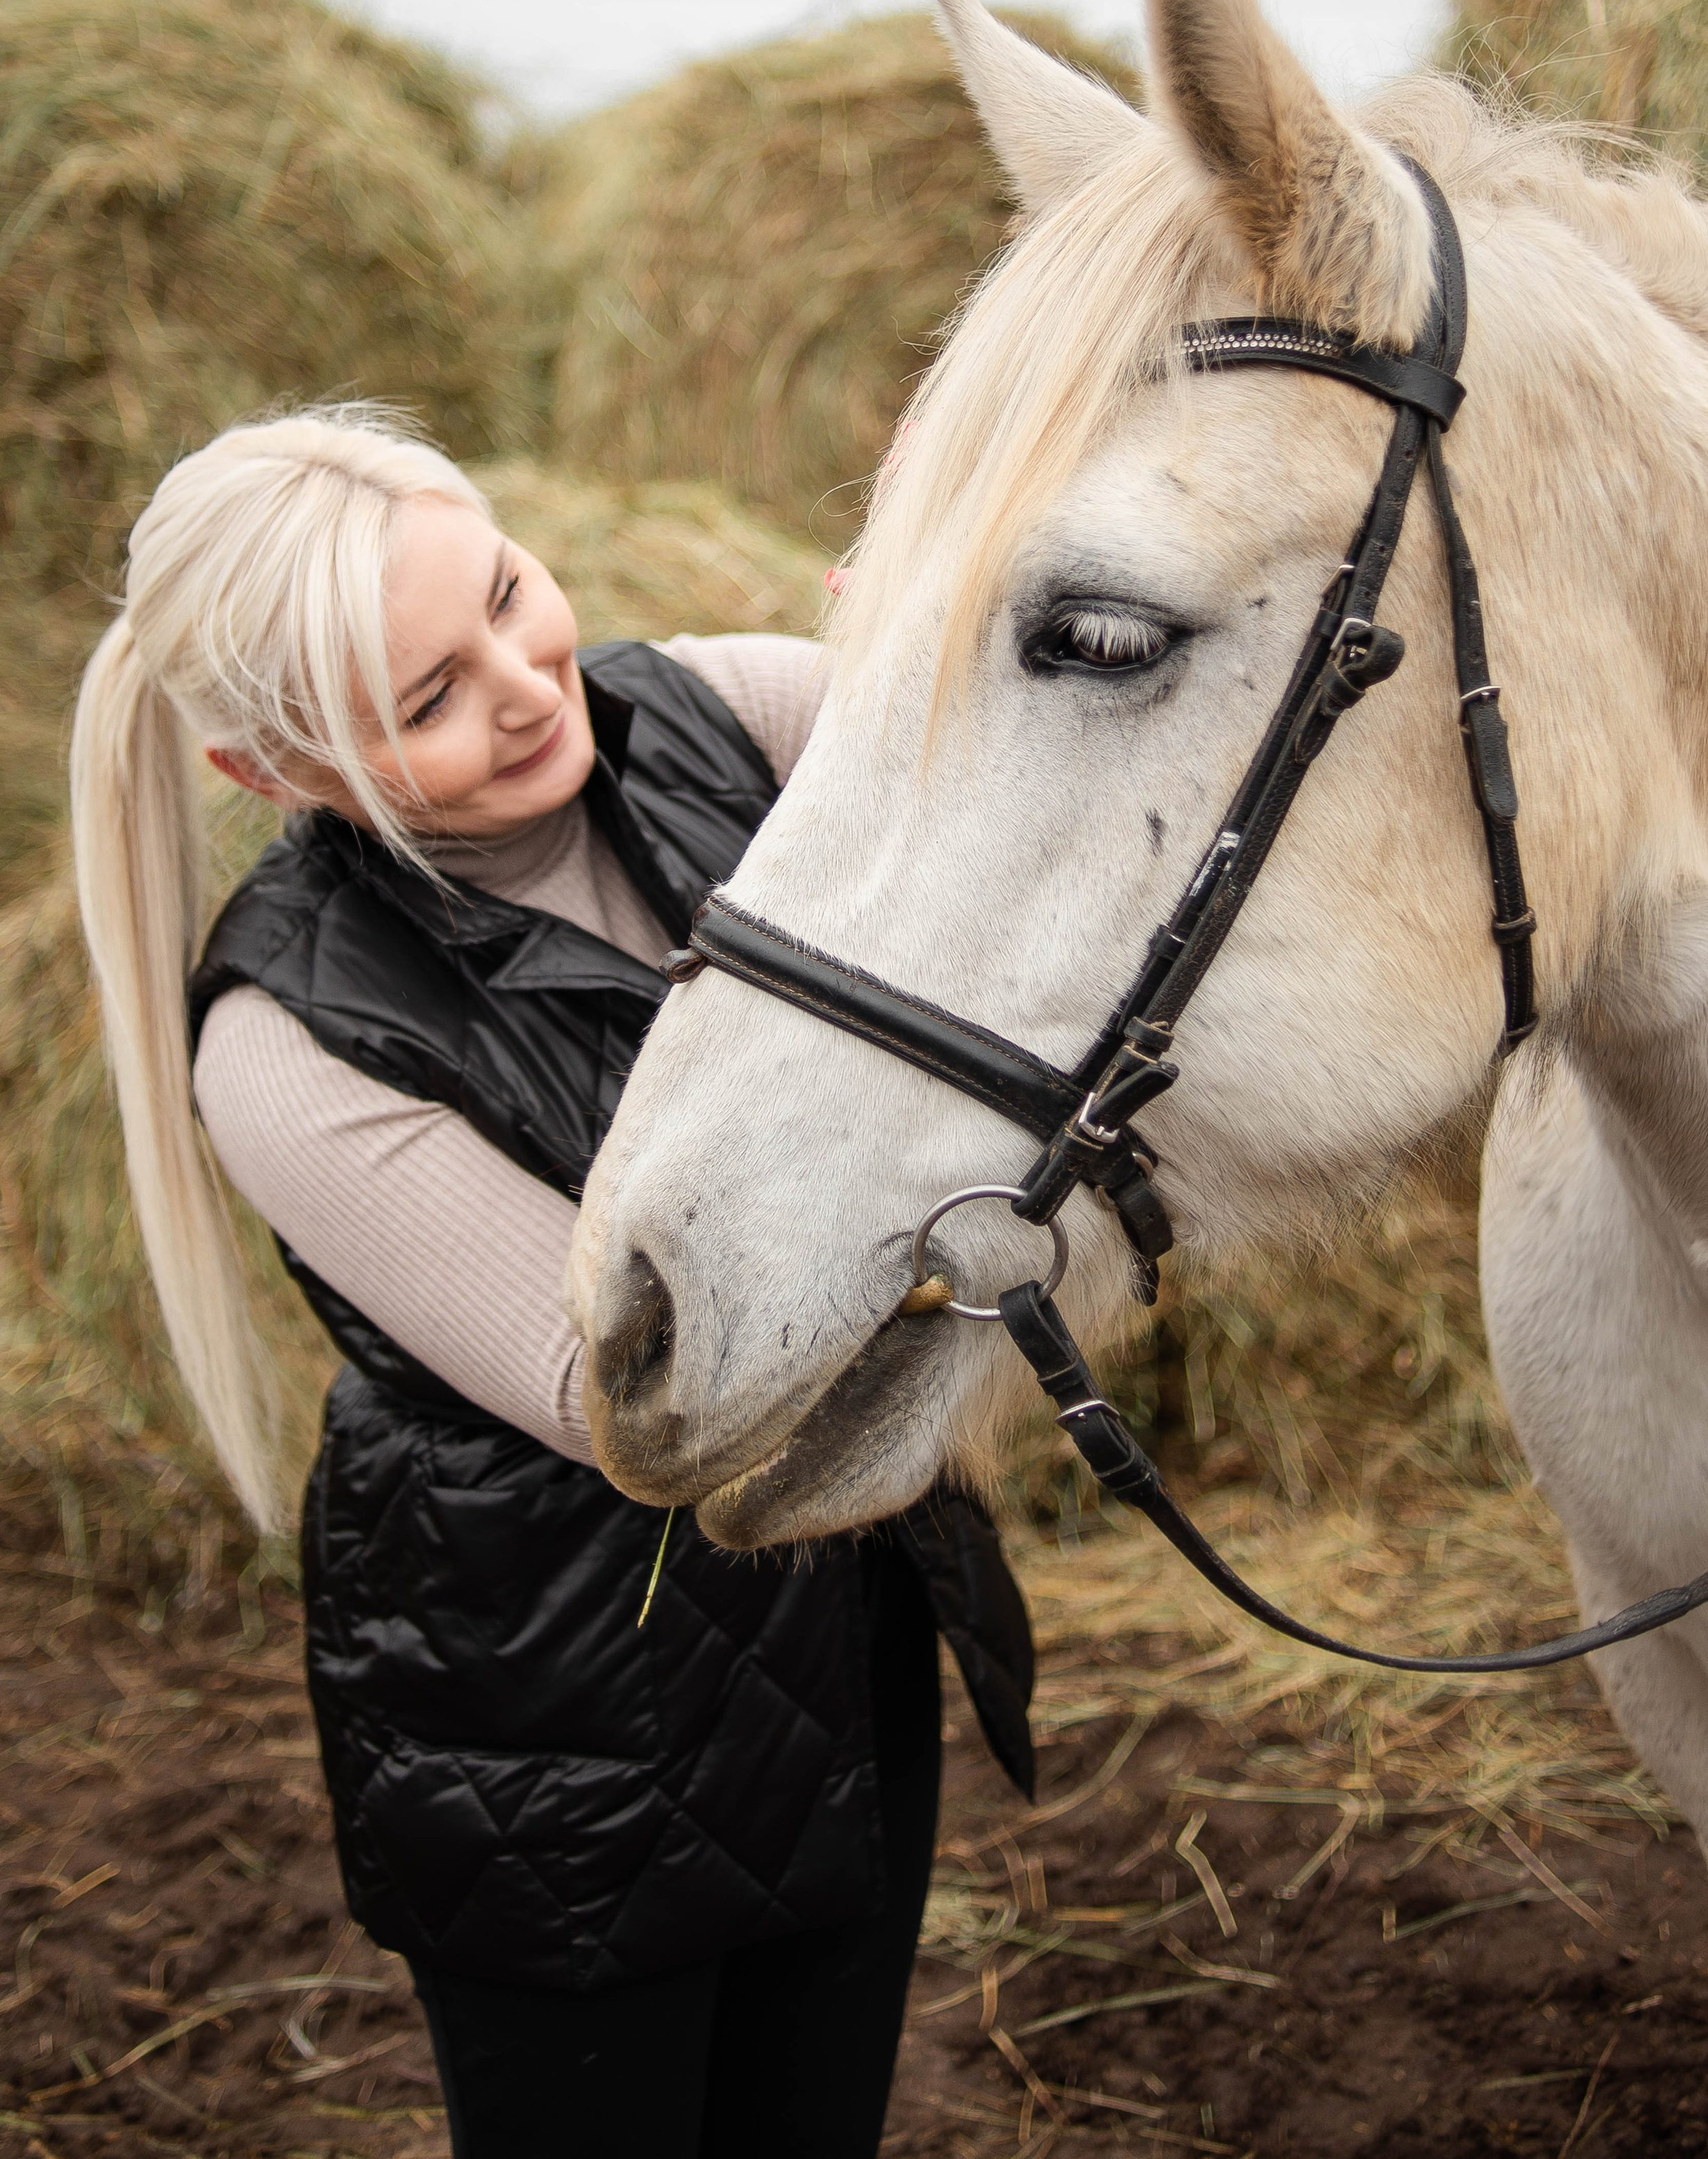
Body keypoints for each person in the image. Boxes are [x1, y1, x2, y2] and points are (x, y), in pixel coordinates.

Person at [69, 405, 1034, 2158]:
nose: (526, 686)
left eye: (510, 595)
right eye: (427, 698)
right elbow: (635, 1398)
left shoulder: (722, 712)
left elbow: (1041, 790)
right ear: (274, 778)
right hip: (552, 1727)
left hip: (842, 1618)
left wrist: (955, 591)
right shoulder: (291, 1041)